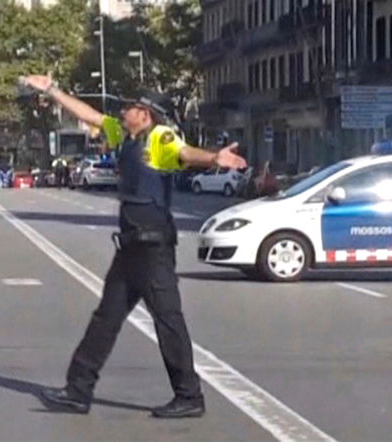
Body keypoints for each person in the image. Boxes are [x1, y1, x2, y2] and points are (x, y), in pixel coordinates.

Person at [21, 75, 247, 418]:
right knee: (105, 319)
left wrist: (215, 158)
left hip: (153, 248)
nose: (121, 111)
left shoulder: (160, 137)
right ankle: (78, 391)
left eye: (128, 107)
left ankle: (189, 396)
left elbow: (185, 153)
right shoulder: (124, 136)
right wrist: (52, 91)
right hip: (129, 248)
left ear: (144, 113)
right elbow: (91, 116)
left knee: (168, 322)